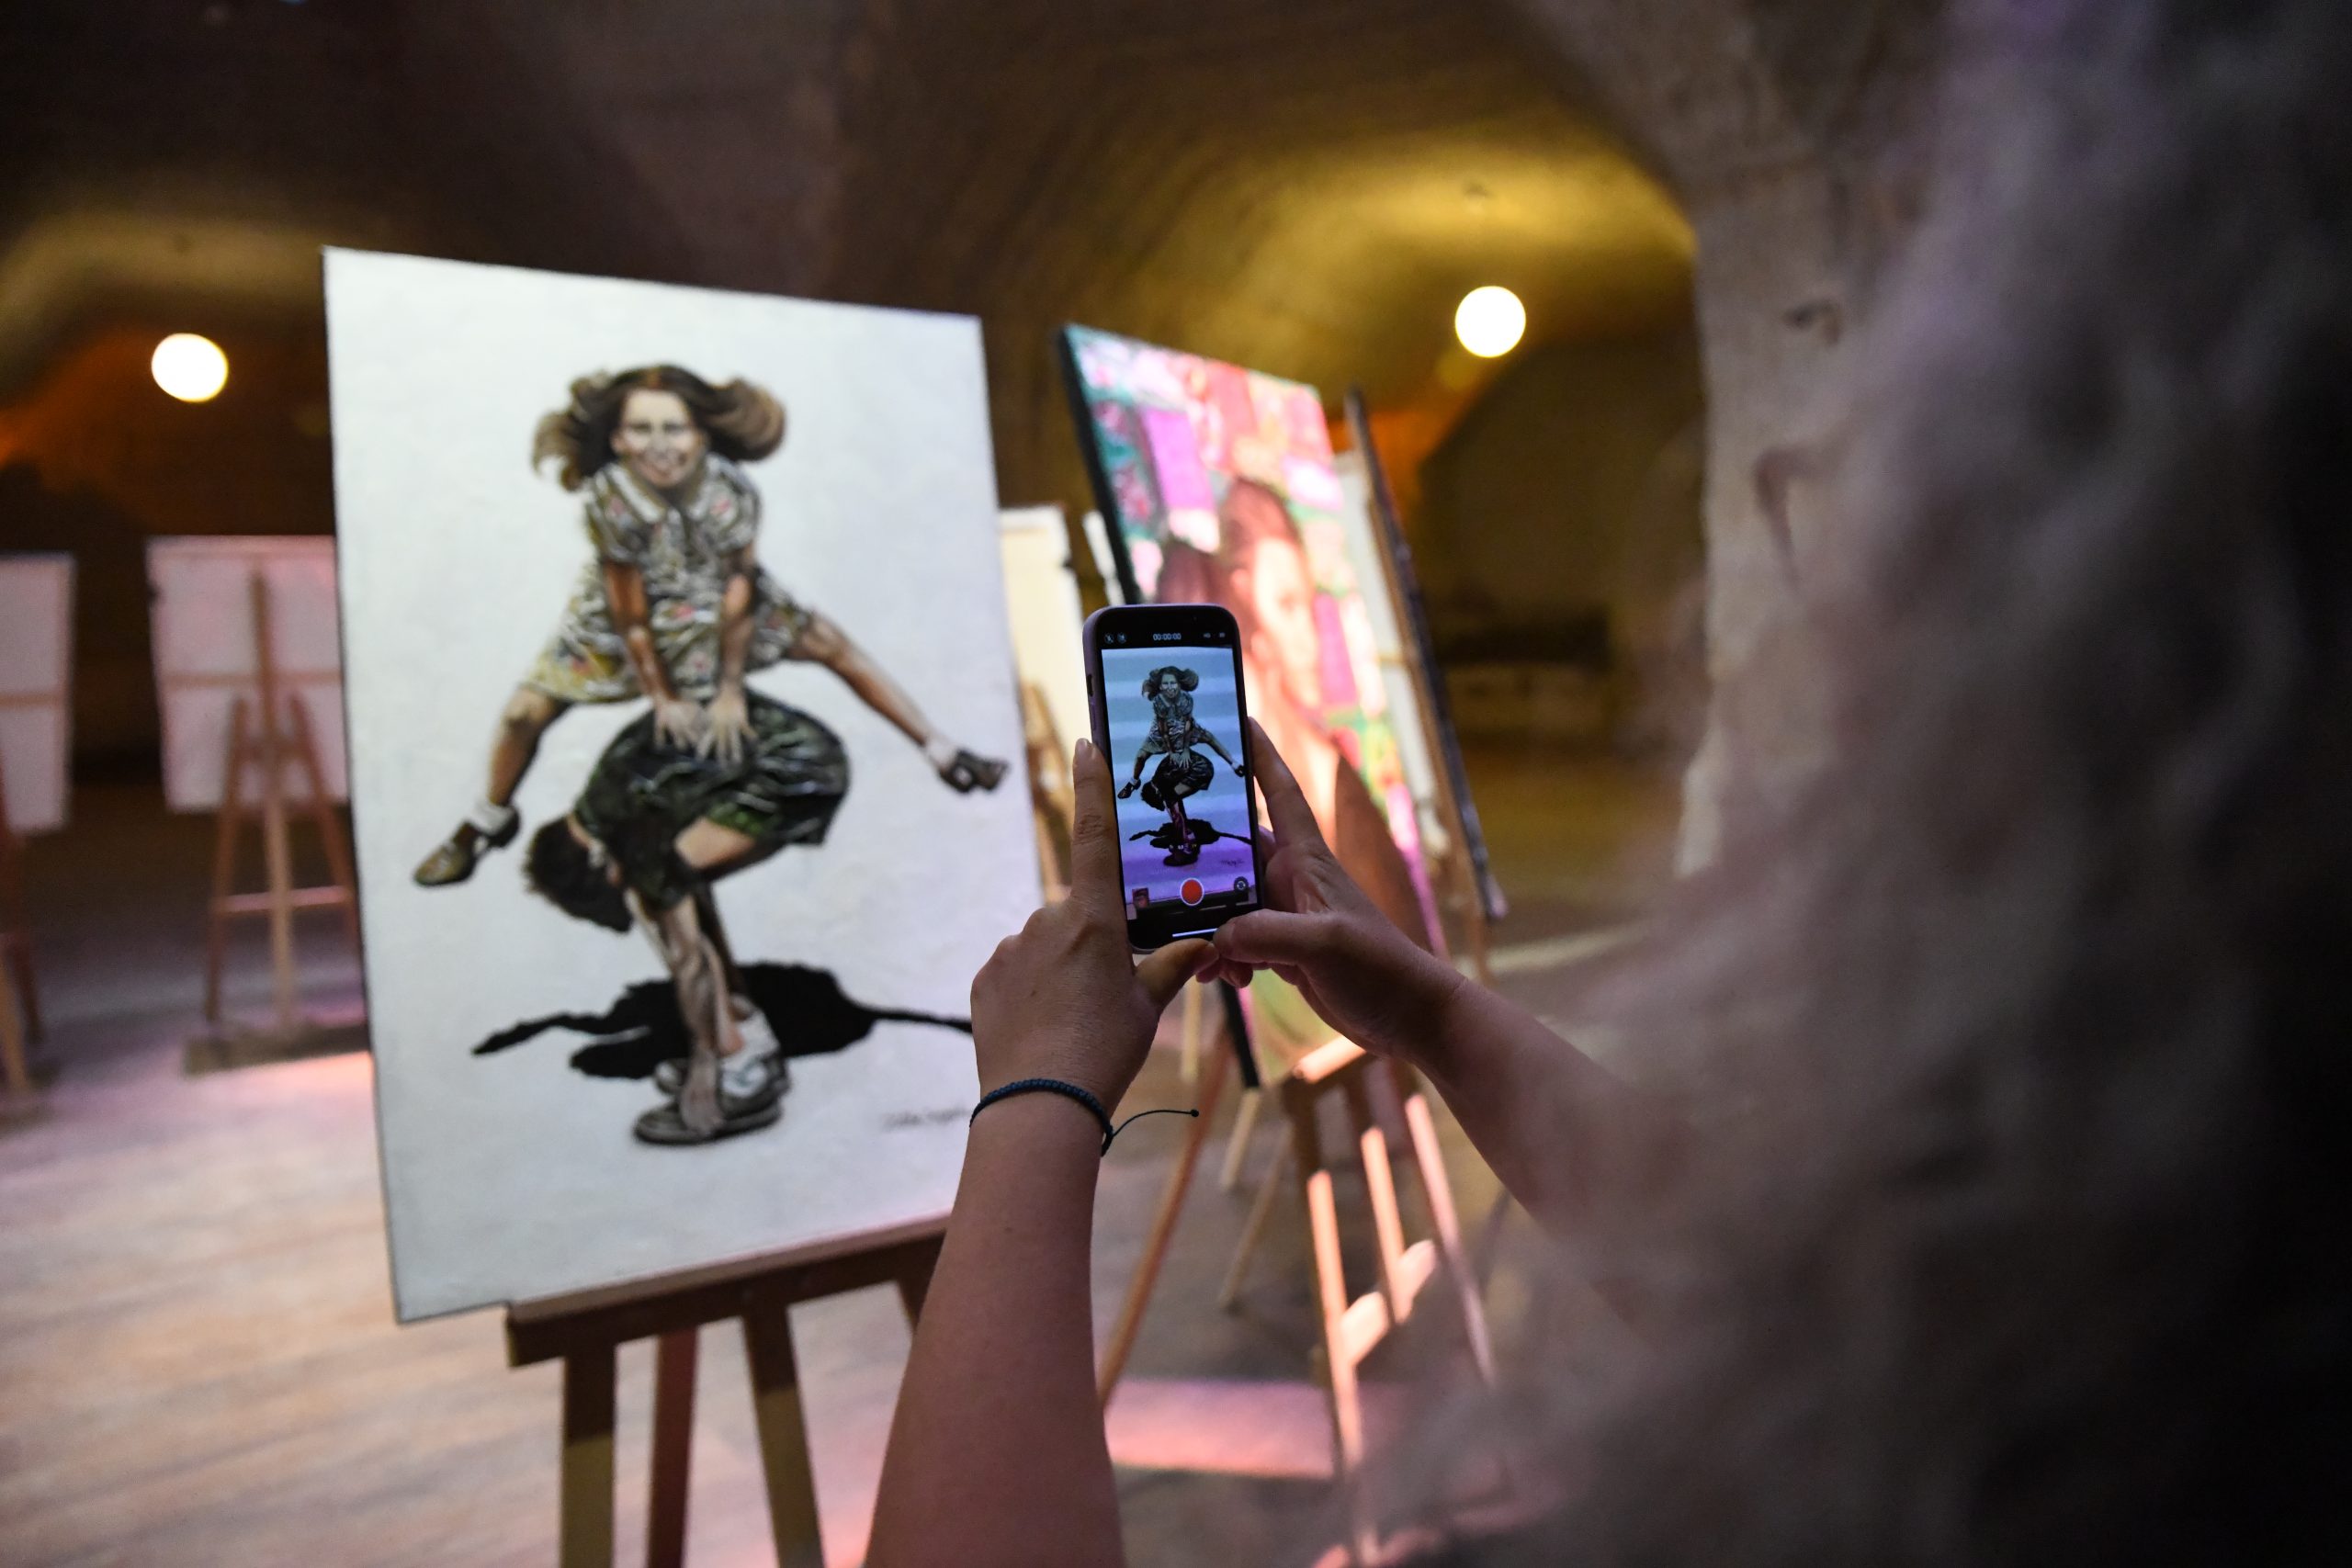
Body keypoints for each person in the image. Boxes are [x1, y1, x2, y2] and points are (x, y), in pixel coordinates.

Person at [867, 0, 2352, 1561]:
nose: (1807, 515)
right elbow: (1789, 1280)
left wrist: (1035, 1106)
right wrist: (1439, 1014)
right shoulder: (2179, 1312)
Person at [415, 365, 1004, 886]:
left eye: (674, 429)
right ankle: (485, 821)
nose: (659, 445)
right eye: (641, 430)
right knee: (523, 713)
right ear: (618, 439)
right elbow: (630, 615)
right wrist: (663, 697)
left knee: (832, 644)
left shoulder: (731, 492)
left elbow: (739, 589)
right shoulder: (611, 499)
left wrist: (728, 690)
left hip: (717, 600)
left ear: (700, 436)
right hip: (627, 621)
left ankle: (943, 750)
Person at [523, 681, 1000, 1145]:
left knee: (664, 906)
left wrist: (704, 1063)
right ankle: (747, 1043)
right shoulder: (606, 798)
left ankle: (739, 1072)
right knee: (678, 889)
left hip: (792, 769)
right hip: (795, 757)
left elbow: (687, 956)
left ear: (596, 869)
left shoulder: (627, 826)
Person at [1118, 664, 1244, 865]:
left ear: (1179, 684)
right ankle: (1133, 782)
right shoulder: (1159, 704)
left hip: (1187, 740)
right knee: (1142, 757)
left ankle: (1187, 840)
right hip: (1166, 738)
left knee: (1206, 739)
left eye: (1173, 683)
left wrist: (1232, 763)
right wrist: (1171, 752)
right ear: (1160, 687)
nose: (1170, 687)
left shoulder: (1186, 702)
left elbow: (1191, 728)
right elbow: (1163, 729)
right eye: (1165, 684)